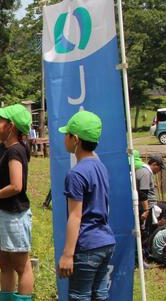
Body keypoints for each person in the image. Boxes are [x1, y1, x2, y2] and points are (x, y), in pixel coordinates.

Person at [57, 111, 116, 301]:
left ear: (75, 139)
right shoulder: (100, 166)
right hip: (106, 241)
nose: (64, 138)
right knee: (99, 295)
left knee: (79, 297)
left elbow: (75, 216)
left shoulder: (76, 174)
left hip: (87, 245)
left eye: (66, 134)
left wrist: (67, 254)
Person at [0, 104, 34, 301]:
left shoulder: (15, 151)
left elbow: (16, 186)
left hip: (13, 215)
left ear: (11, 126)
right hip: (0, 212)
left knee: (22, 267)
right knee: (5, 266)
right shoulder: (3, 148)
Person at [136, 155, 166, 241]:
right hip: (145, 208)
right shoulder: (145, 173)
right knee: (146, 230)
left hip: (147, 207)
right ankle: (145, 251)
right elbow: (143, 193)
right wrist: (146, 210)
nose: (159, 171)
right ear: (155, 164)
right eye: (159, 168)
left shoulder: (143, 171)